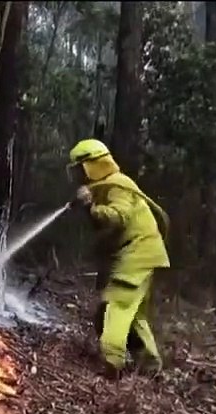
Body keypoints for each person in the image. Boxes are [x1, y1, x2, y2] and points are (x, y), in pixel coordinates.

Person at [67, 138, 171, 376]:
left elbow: (118, 217)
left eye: (78, 169)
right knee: (134, 316)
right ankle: (150, 365)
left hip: (138, 254)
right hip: (142, 254)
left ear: (90, 165)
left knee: (115, 306)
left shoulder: (117, 186)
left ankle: (111, 363)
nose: (77, 176)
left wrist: (91, 207)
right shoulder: (107, 186)